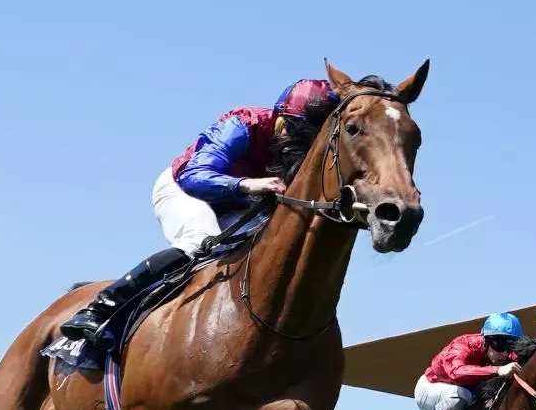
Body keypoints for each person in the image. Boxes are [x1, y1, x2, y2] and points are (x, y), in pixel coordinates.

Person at [60, 78, 341, 344]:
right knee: (199, 240)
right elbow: (194, 175)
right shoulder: (243, 124)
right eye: (291, 128)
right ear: (280, 115)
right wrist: (244, 184)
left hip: (239, 203)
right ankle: (100, 307)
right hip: (184, 187)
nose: (293, 141)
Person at [395, 312, 525, 410]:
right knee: (462, 396)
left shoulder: (505, 356)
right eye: (499, 345)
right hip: (429, 389)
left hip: (463, 392)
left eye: (510, 346)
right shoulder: (463, 344)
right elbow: (456, 372)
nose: (504, 353)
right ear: (486, 340)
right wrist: (496, 370)